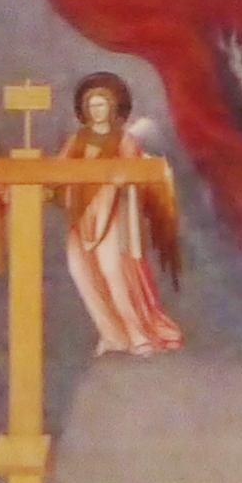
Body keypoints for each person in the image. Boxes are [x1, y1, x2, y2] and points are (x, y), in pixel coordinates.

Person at [57, 73, 180, 356]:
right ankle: (112, 334)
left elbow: (133, 173)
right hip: (81, 216)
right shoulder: (76, 140)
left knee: (114, 272)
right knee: (83, 273)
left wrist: (115, 179)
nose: (96, 110)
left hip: (112, 214)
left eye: (102, 105)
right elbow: (59, 171)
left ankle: (138, 333)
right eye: (92, 105)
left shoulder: (124, 141)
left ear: (112, 109)